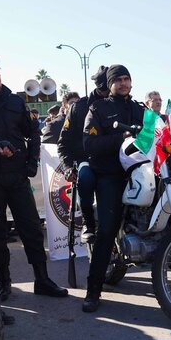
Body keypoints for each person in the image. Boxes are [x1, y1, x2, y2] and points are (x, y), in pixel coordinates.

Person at [0, 59, 68, 300]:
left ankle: (42, 280)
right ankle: (5, 282)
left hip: (17, 174)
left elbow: (32, 132)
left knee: (31, 228)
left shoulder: (14, 101)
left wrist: (31, 163)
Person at [82, 64, 144, 312]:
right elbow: (89, 143)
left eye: (127, 78)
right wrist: (121, 138)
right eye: (118, 80)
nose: (123, 83)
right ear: (109, 84)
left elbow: (154, 134)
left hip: (139, 172)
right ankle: (93, 291)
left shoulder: (140, 109)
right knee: (107, 231)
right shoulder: (98, 109)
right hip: (109, 175)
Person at [58, 66, 109, 243]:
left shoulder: (126, 105)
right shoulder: (78, 108)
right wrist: (67, 168)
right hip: (88, 161)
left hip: (119, 161)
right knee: (86, 177)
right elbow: (63, 143)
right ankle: (89, 223)